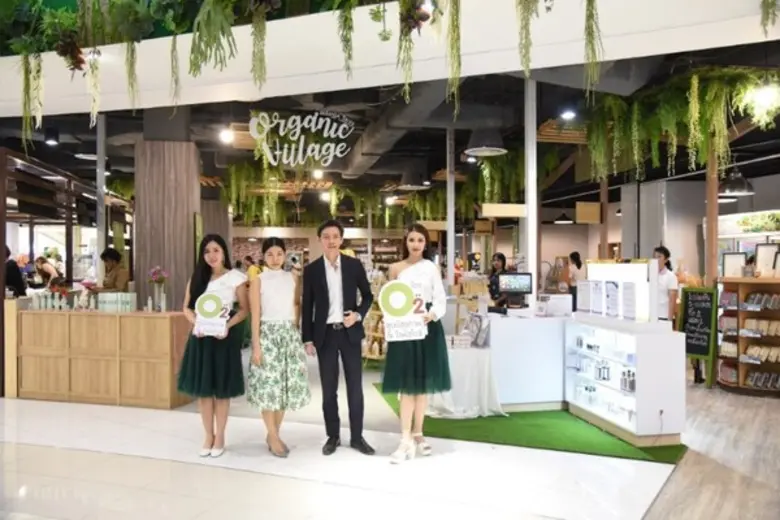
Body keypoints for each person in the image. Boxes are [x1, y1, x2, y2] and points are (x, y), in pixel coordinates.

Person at [301, 219, 375, 456]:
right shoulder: (312, 270)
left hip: (349, 333)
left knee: (355, 387)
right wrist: (307, 338)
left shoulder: (354, 265)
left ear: (341, 239)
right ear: (320, 240)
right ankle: (332, 436)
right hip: (325, 336)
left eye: (335, 236)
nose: (331, 241)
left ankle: (357, 437)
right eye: (326, 237)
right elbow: (307, 306)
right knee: (329, 388)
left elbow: (368, 296)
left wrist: (358, 315)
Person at [382, 223, 452, 463]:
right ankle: (405, 439)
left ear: (426, 243)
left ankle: (418, 432)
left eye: (420, 240)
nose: (415, 244)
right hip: (403, 330)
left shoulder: (431, 268)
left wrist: (432, 315)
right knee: (406, 386)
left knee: (421, 386)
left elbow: (440, 298)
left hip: (426, 328)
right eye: (412, 239)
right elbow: (389, 300)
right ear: (405, 242)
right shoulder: (395, 268)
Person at [177, 234, 249, 458]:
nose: (211, 255)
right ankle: (208, 435)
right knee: (204, 391)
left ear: (224, 252)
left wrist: (227, 325)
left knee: (222, 391)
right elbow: (186, 308)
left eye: (216, 250)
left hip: (223, 339)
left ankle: (221, 437)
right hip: (201, 339)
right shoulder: (197, 278)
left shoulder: (236, 277)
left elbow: (244, 310)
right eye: (207, 251)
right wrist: (195, 323)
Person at [247, 237, 311, 457]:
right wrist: (256, 346)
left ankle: (274, 434)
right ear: (263, 256)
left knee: (284, 388)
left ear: (285, 255)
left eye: (279, 254)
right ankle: (273, 436)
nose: (275, 259)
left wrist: (297, 333)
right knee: (268, 388)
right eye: (270, 254)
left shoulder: (293, 277)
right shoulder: (258, 280)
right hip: (268, 335)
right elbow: (255, 315)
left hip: (289, 335)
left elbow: (297, 306)